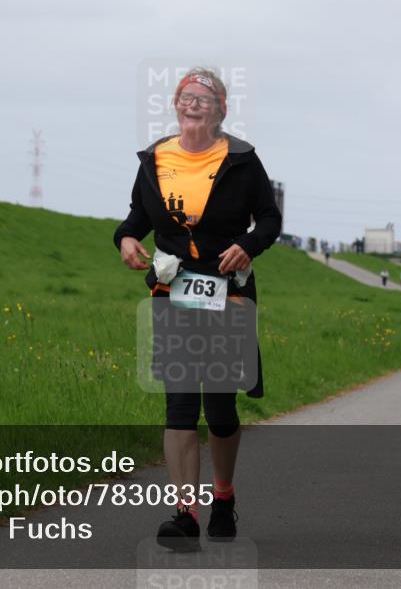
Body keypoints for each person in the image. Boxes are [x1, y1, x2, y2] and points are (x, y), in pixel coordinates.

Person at [114, 68, 281, 551]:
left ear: (222, 110)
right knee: (180, 405)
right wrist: (125, 238)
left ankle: (223, 497)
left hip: (226, 293)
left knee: (220, 407)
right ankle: (185, 513)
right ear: (174, 103)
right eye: (186, 96)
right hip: (173, 295)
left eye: (204, 99)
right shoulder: (155, 159)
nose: (193, 104)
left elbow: (269, 218)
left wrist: (249, 246)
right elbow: (137, 216)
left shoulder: (242, 160)